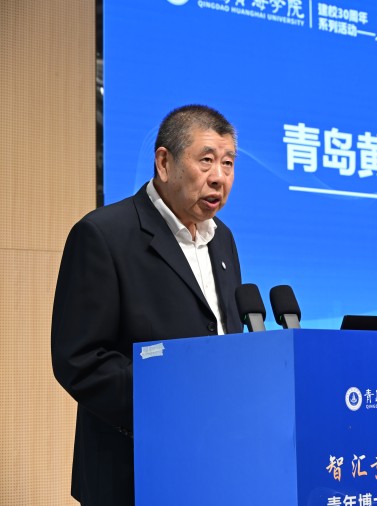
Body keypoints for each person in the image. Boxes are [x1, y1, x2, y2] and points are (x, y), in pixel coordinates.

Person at [51, 105, 244, 505]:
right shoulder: (103, 235)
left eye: (228, 163)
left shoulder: (222, 240)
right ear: (164, 162)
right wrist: (172, 406)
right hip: (131, 472)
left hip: (211, 466)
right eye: (206, 160)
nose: (219, 177)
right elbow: (80, 360)